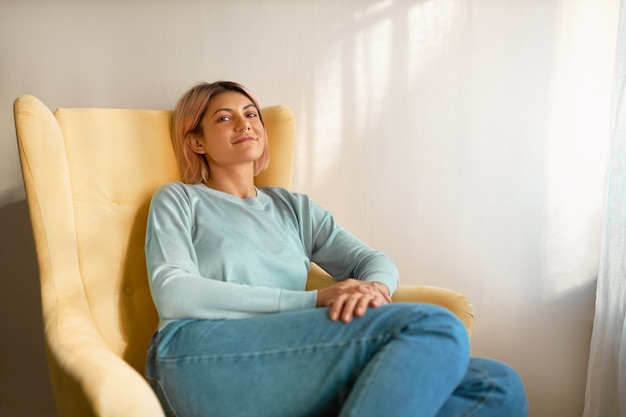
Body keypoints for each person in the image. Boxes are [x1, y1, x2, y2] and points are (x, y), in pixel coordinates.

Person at [144, 80, 528, 417]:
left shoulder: (292, 208)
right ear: (196, 141)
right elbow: (174, 292)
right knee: (436, 325)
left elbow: (372, 261)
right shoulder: (179, 199)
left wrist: (374, 289)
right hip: (198, 353)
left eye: (251, 114)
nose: (245, 123)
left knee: (497, 384)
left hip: (291, 352)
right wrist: (315, 300)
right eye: (224, 118)